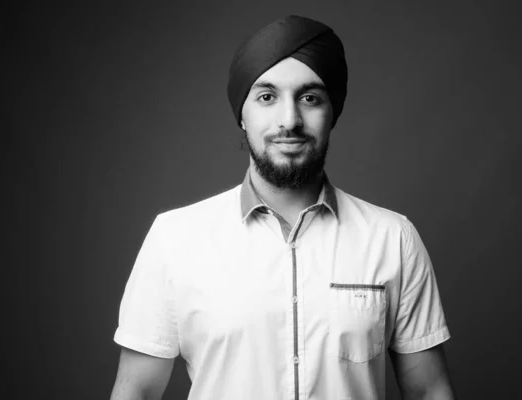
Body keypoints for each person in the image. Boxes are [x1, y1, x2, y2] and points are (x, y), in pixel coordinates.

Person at [110, 15, 456, 400]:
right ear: (243, 114)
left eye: (309, 98)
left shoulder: (393, 239)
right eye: (266, 97)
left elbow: (429, 391)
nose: (289, 120)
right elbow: (135, 392)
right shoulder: (174, 239)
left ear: (332, 113)